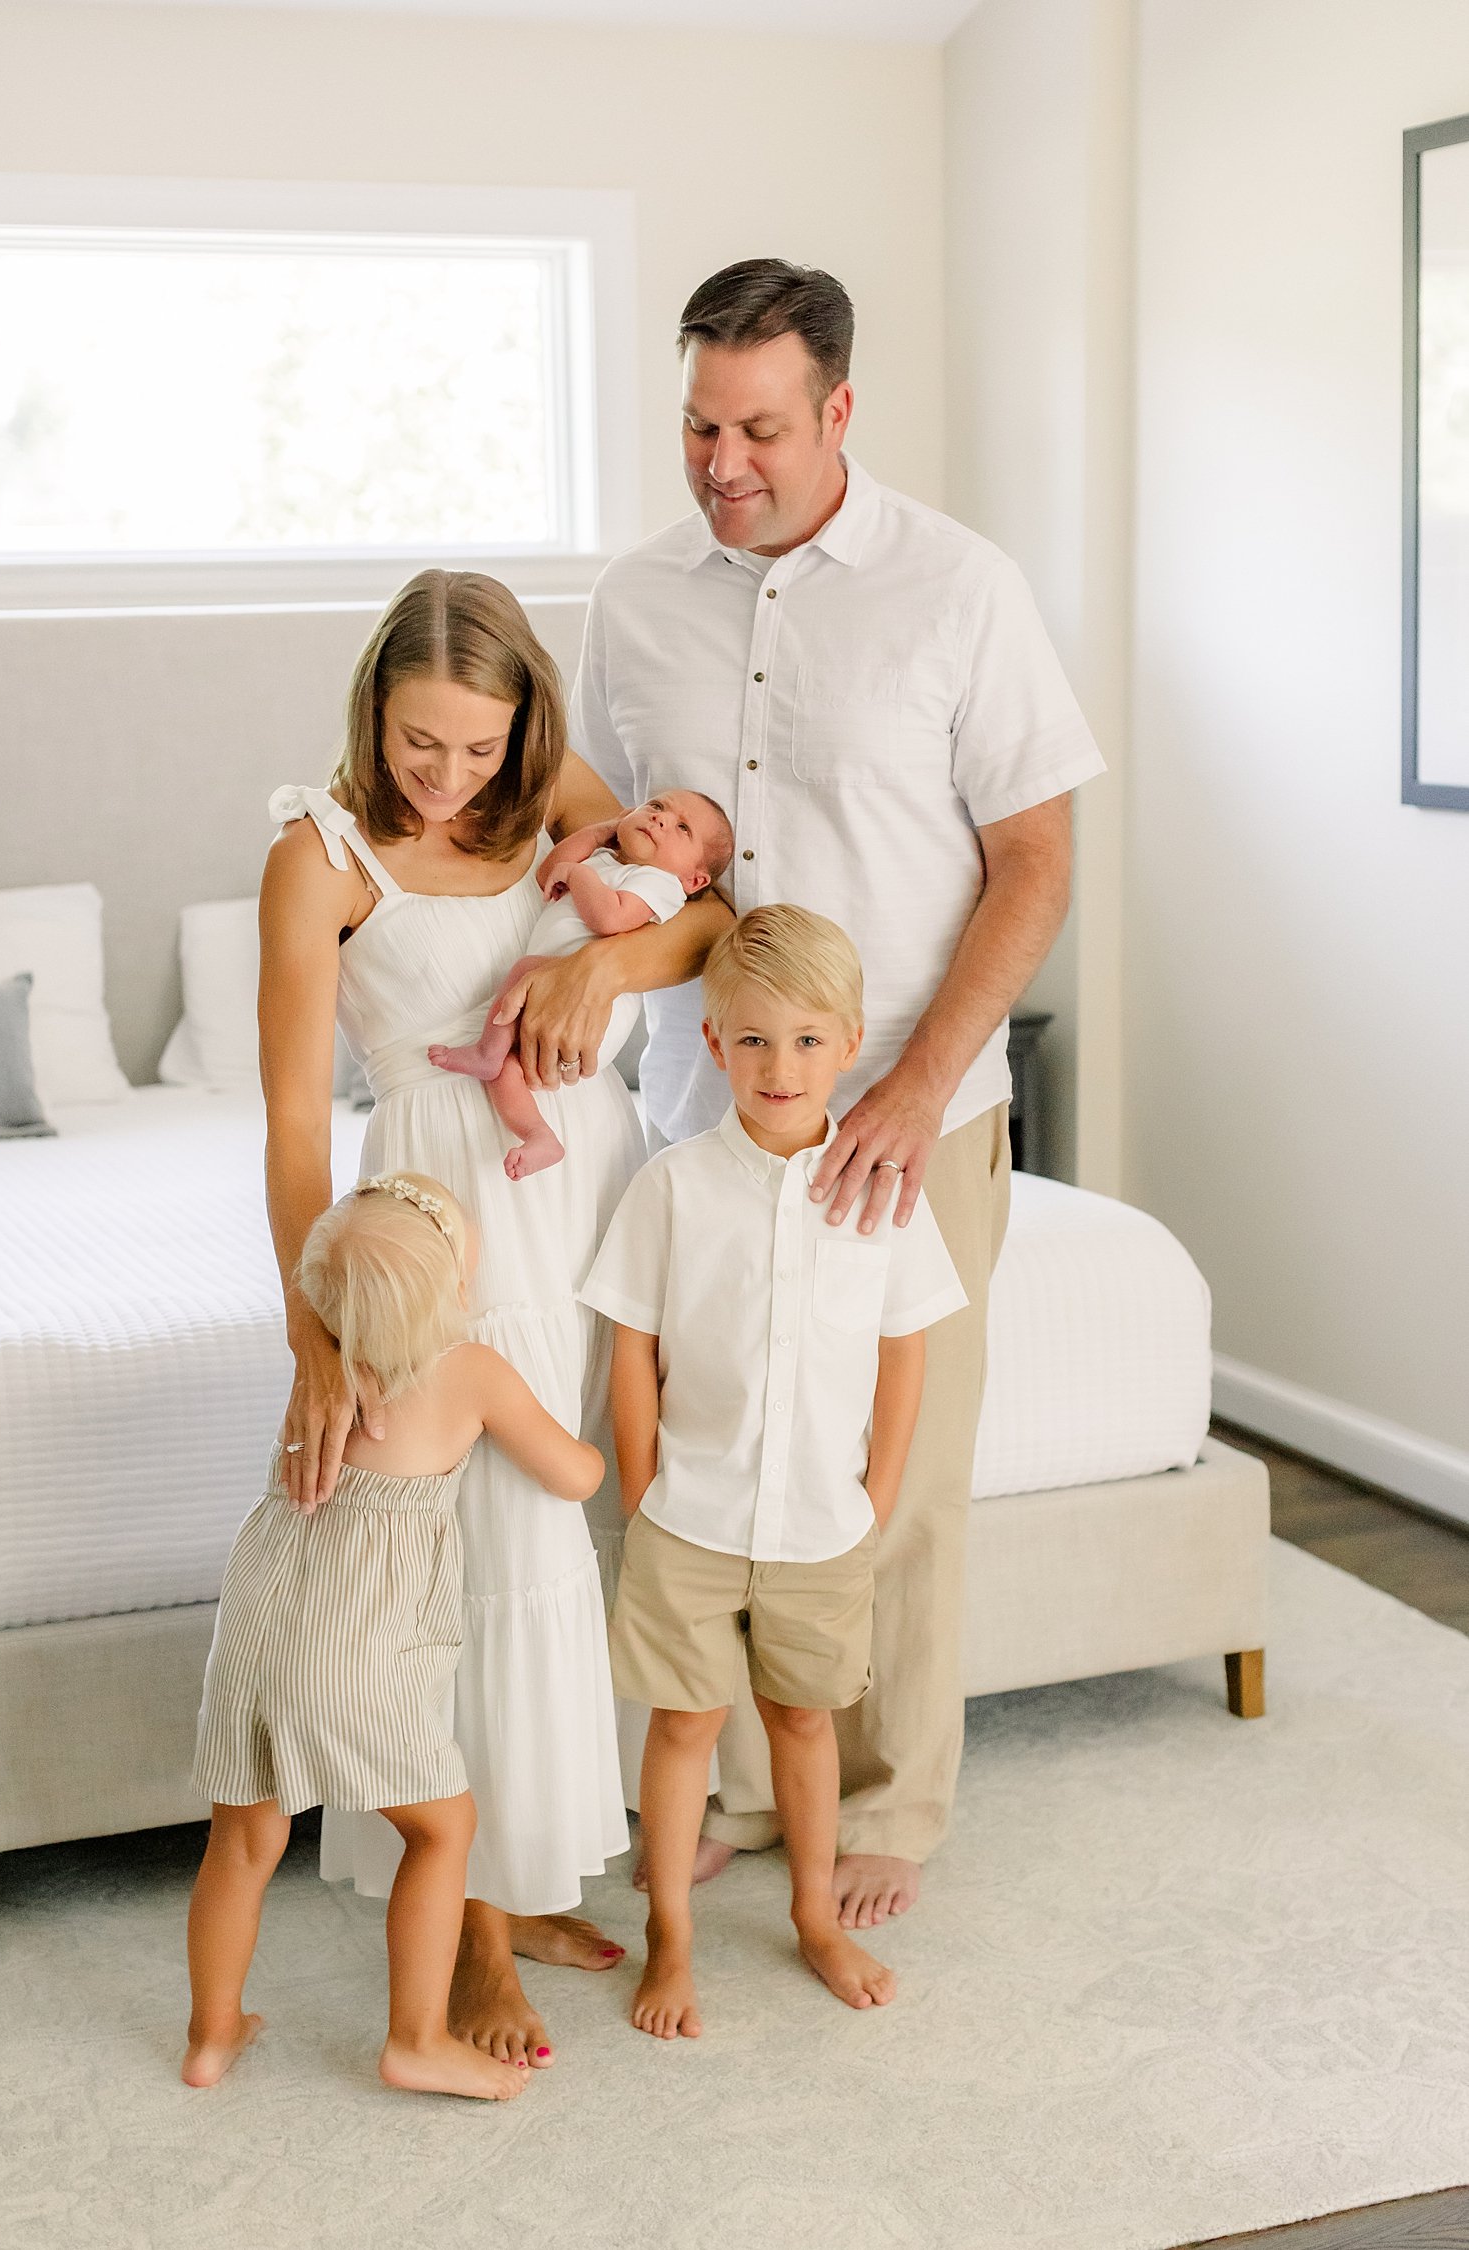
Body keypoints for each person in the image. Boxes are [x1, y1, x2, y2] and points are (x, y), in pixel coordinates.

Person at [569, 259, 1106, 1931]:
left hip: (905, 1119)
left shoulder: (961, 589)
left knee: (895, 1471)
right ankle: (723, 1773)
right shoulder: (636, 601)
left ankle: (892, 1802)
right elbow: (621, 845)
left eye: (762, 429)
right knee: (701, 1450)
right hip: (696, 1123)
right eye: (698, 426)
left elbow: (1035, 862)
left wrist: (919, 1081)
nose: (725, 462)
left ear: (843, 413)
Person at [259, 569, 731, 2068]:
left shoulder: (548, 792)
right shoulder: (318, 854)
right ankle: (467, 1938)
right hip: (441, 1219)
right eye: (421, 745)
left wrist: (599, 961)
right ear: (373, 709)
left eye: (479, 747)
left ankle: (521, 1883)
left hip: (593, 1186)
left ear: (523, 717)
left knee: (578, 1529)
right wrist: (316, 1338)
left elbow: (709, 924)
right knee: (467, 1552)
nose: (453, 776)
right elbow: (285, 1131)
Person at [583, 908, 967, 2039]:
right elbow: (633, 1354)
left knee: (804, 1726)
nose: (779, 1066)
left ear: (848, 1043)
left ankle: (813, 1913)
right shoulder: (673, 1187)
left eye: (806, 1041)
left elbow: (906, 1351)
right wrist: (649, 1487)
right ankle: (670, 1941)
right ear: (711, 1045)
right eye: (752, 1042)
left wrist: (878, 1494)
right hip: (687, 1520)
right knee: (684, 1728)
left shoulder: (883, 1191)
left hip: (821, 1526)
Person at [184, 1172, 605, 2098]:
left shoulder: (323, 1365)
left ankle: (212, 2036)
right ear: (457, 1287)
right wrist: (598, 1450)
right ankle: (416, 2037)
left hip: (256, 1615)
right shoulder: (471, 1370)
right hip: (357, 1645)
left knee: (244, 1839)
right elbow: (573, 1475)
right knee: (444, 1825)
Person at [428, 790, 733, 1179]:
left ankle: (487, 1051)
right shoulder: (605, 859)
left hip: (595, 1004)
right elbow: (548, 872)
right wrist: (602, 832)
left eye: (682, 827)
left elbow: (610, 917)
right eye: (656, 806)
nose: (660, 819)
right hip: (554, 983)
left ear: (694, 879)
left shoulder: (660, 884)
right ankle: (538, 1135)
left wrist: (578, 874)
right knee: (508, 1072)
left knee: (524, 970)